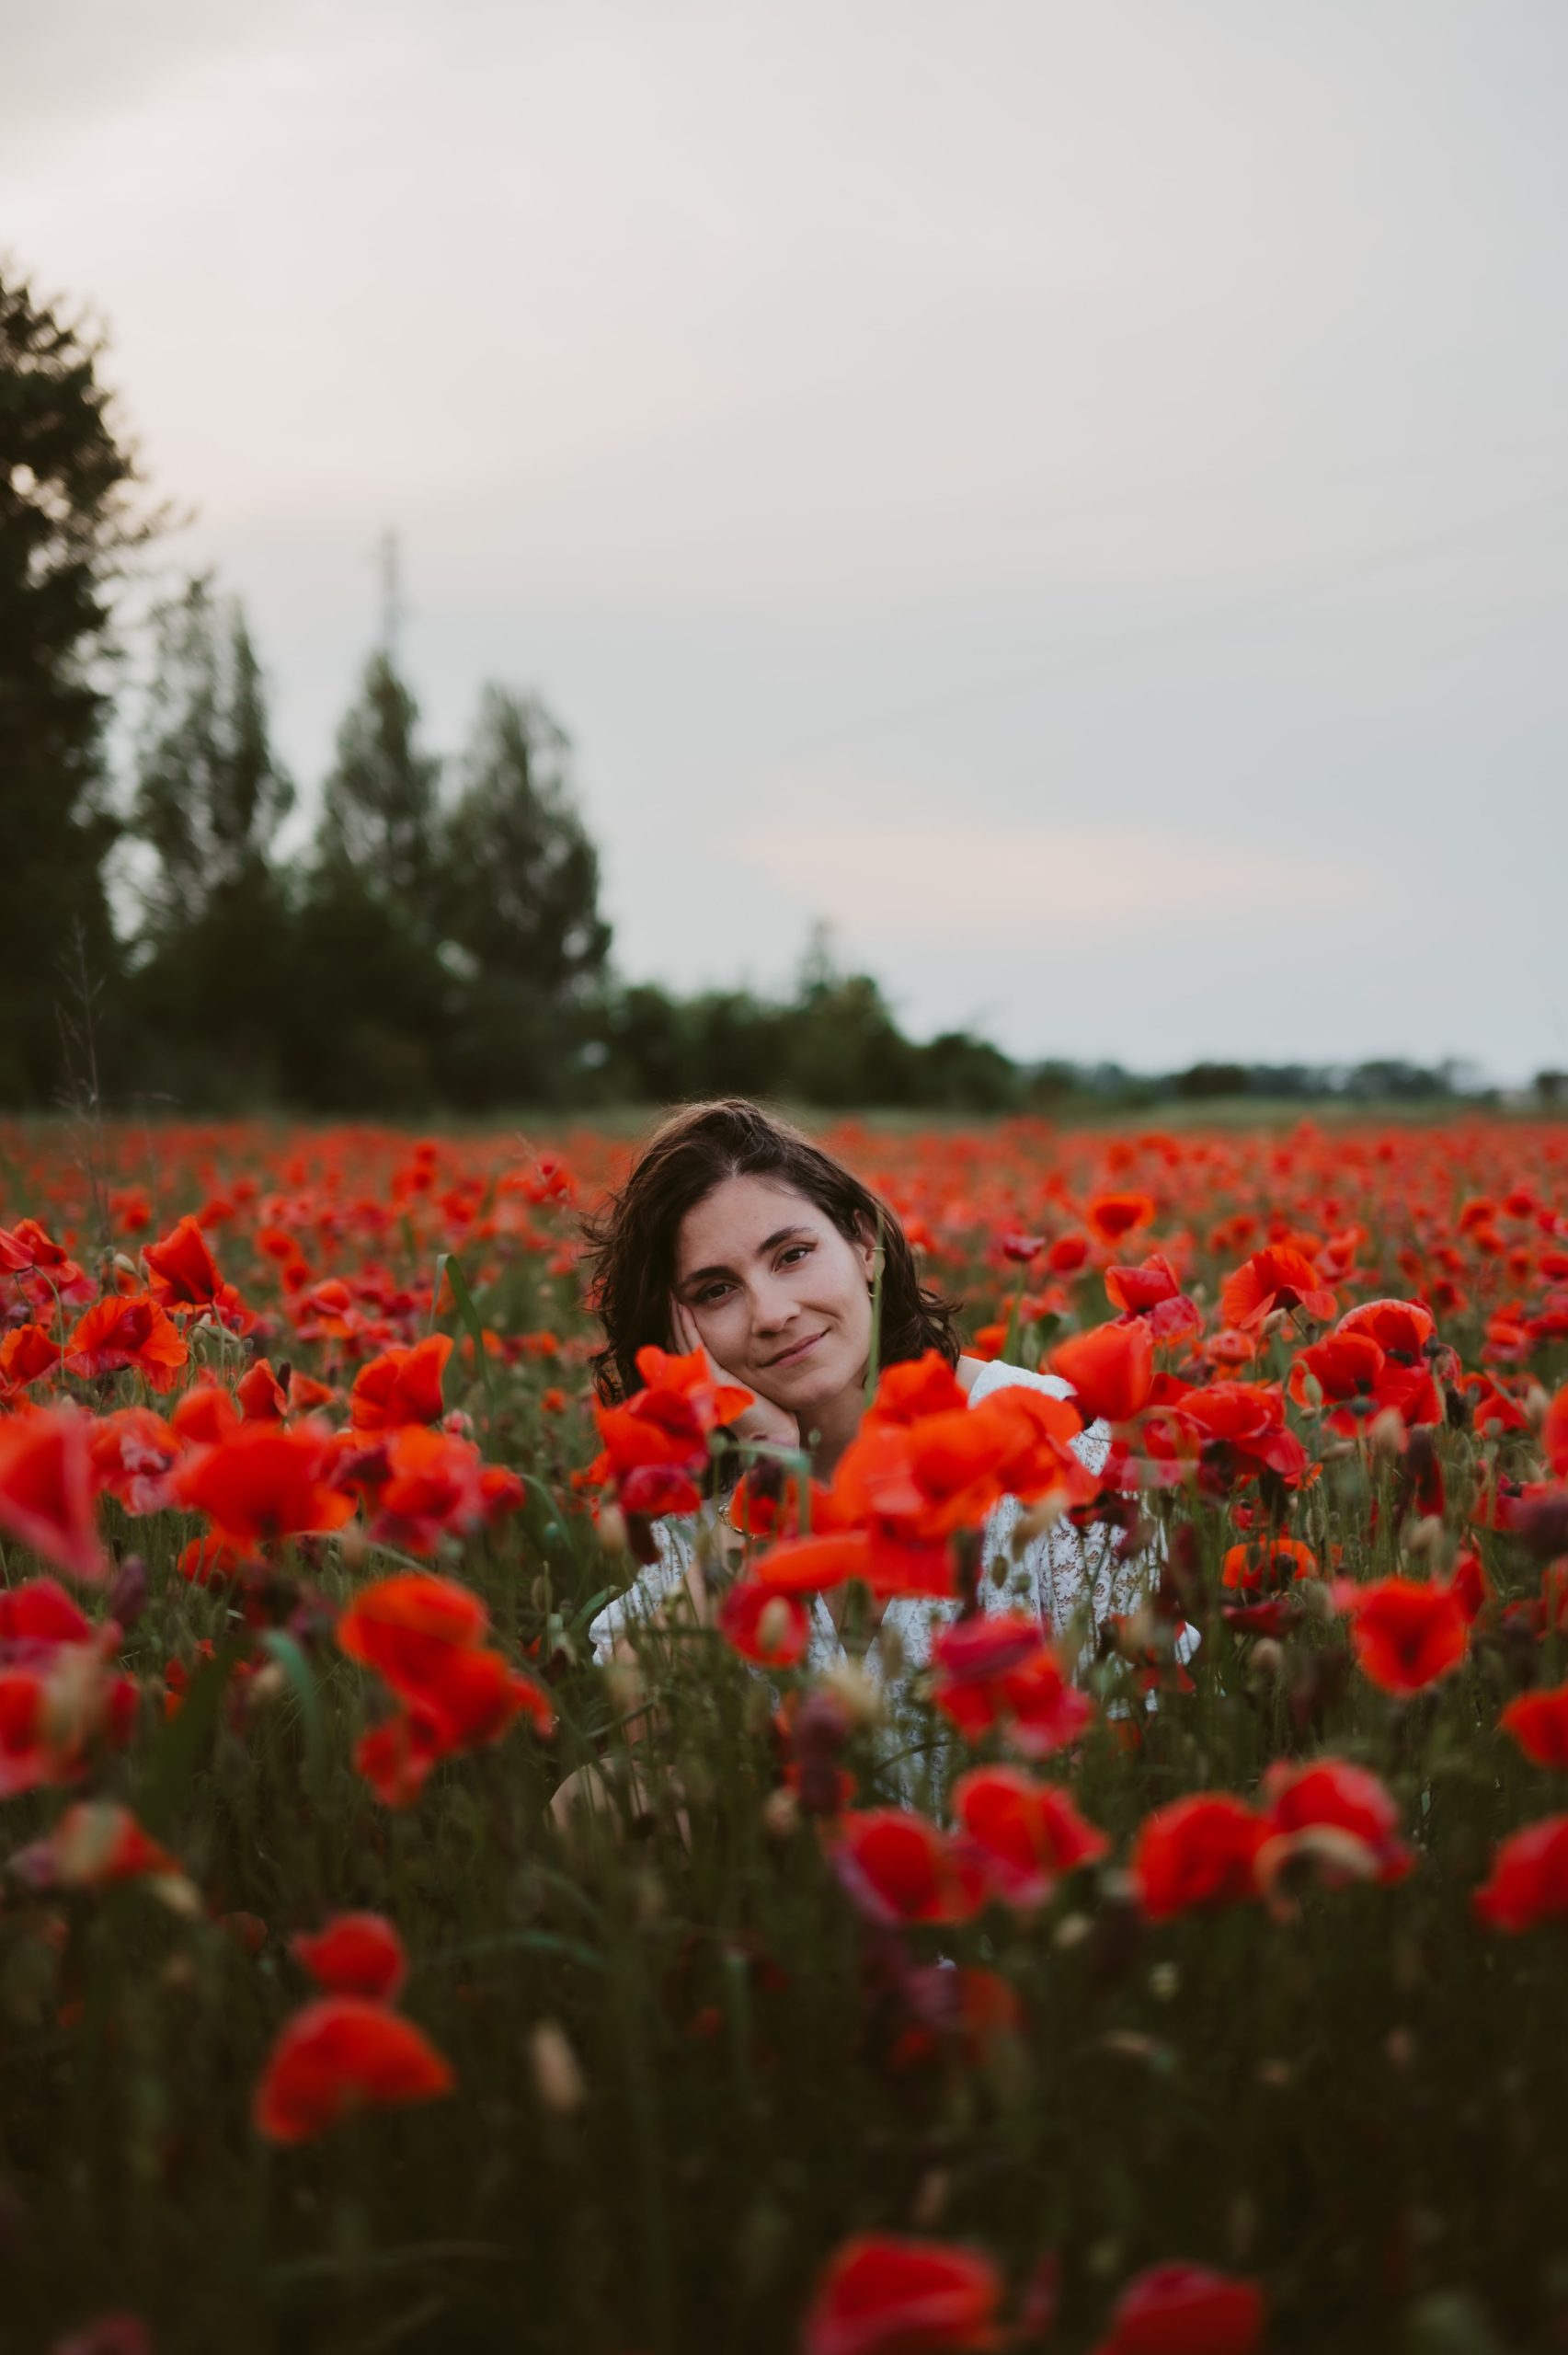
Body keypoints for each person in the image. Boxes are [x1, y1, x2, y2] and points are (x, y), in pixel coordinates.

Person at [580, 1098, 1145, 1694]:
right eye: (716, 1290)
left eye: (792, 1255)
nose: (772, 1314)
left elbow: (1141, 1718)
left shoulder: (1053, 1432)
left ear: (862, 1242)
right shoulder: (700, 1494)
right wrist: (768, 1464)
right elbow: (635, 1727)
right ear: (678, 1326)